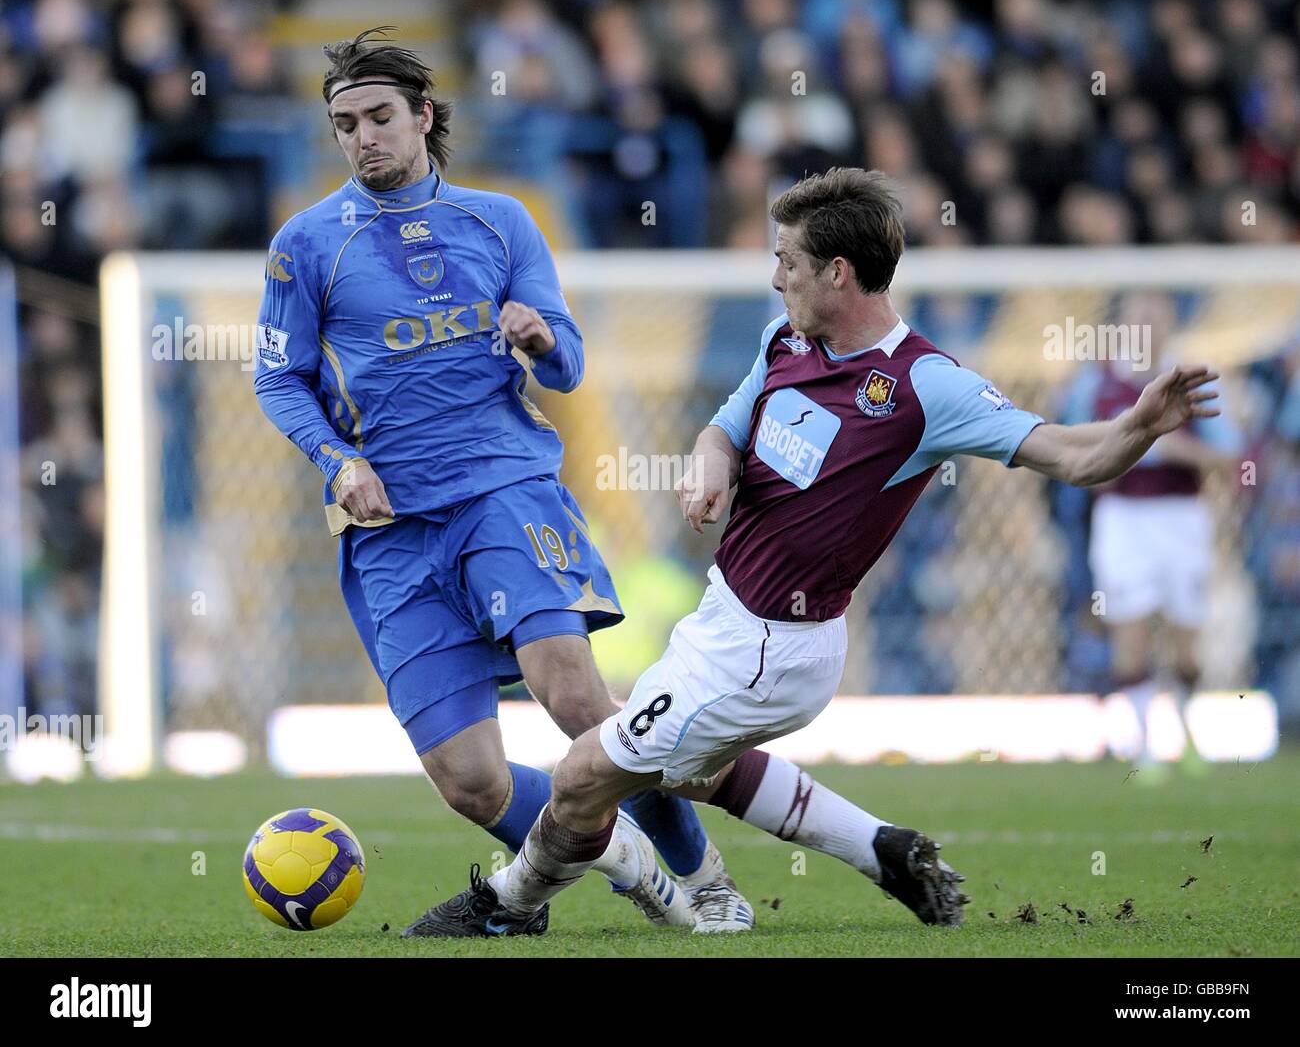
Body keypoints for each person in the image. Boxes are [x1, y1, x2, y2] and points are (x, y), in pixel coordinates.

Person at [401, 167, 1221, 937]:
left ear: (837, 272)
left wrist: (1139, 427)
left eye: (785, 261)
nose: (773, 277)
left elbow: (1072, 456)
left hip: (773, 649)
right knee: (686, 769)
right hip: (722, 618)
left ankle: (509, 907)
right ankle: (882, 849)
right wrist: (710, 470)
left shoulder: (924, 385)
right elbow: (723, 425)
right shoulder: (783, 345)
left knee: (584, 776)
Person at [252, 27, 750, 935]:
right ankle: (629, 866)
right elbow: (277, 377)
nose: (363, 137)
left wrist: (541, 336)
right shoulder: (306, 244)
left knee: (577, 700)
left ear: (424, 118)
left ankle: (706, 880)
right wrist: (340, 460)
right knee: (470, 782)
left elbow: (567, 369)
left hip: (503, 492)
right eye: (344, 123)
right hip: (391, 527)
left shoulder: (502, 220)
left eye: (379, 117)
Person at [1080, 293, 1240, 780]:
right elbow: (1077, 450)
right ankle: (1147, 746)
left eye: (1157, 314)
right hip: (1123, 519)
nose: (1147, 323)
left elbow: (1231, 458)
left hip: (1181, 517)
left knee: (1186, 645)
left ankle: (1188, 730)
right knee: (1130, 630)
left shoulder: (1197, 381)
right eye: (1138, 316)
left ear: (1172, 323)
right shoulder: (1098, 383)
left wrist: (1170, 449)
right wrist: (1118, 456)